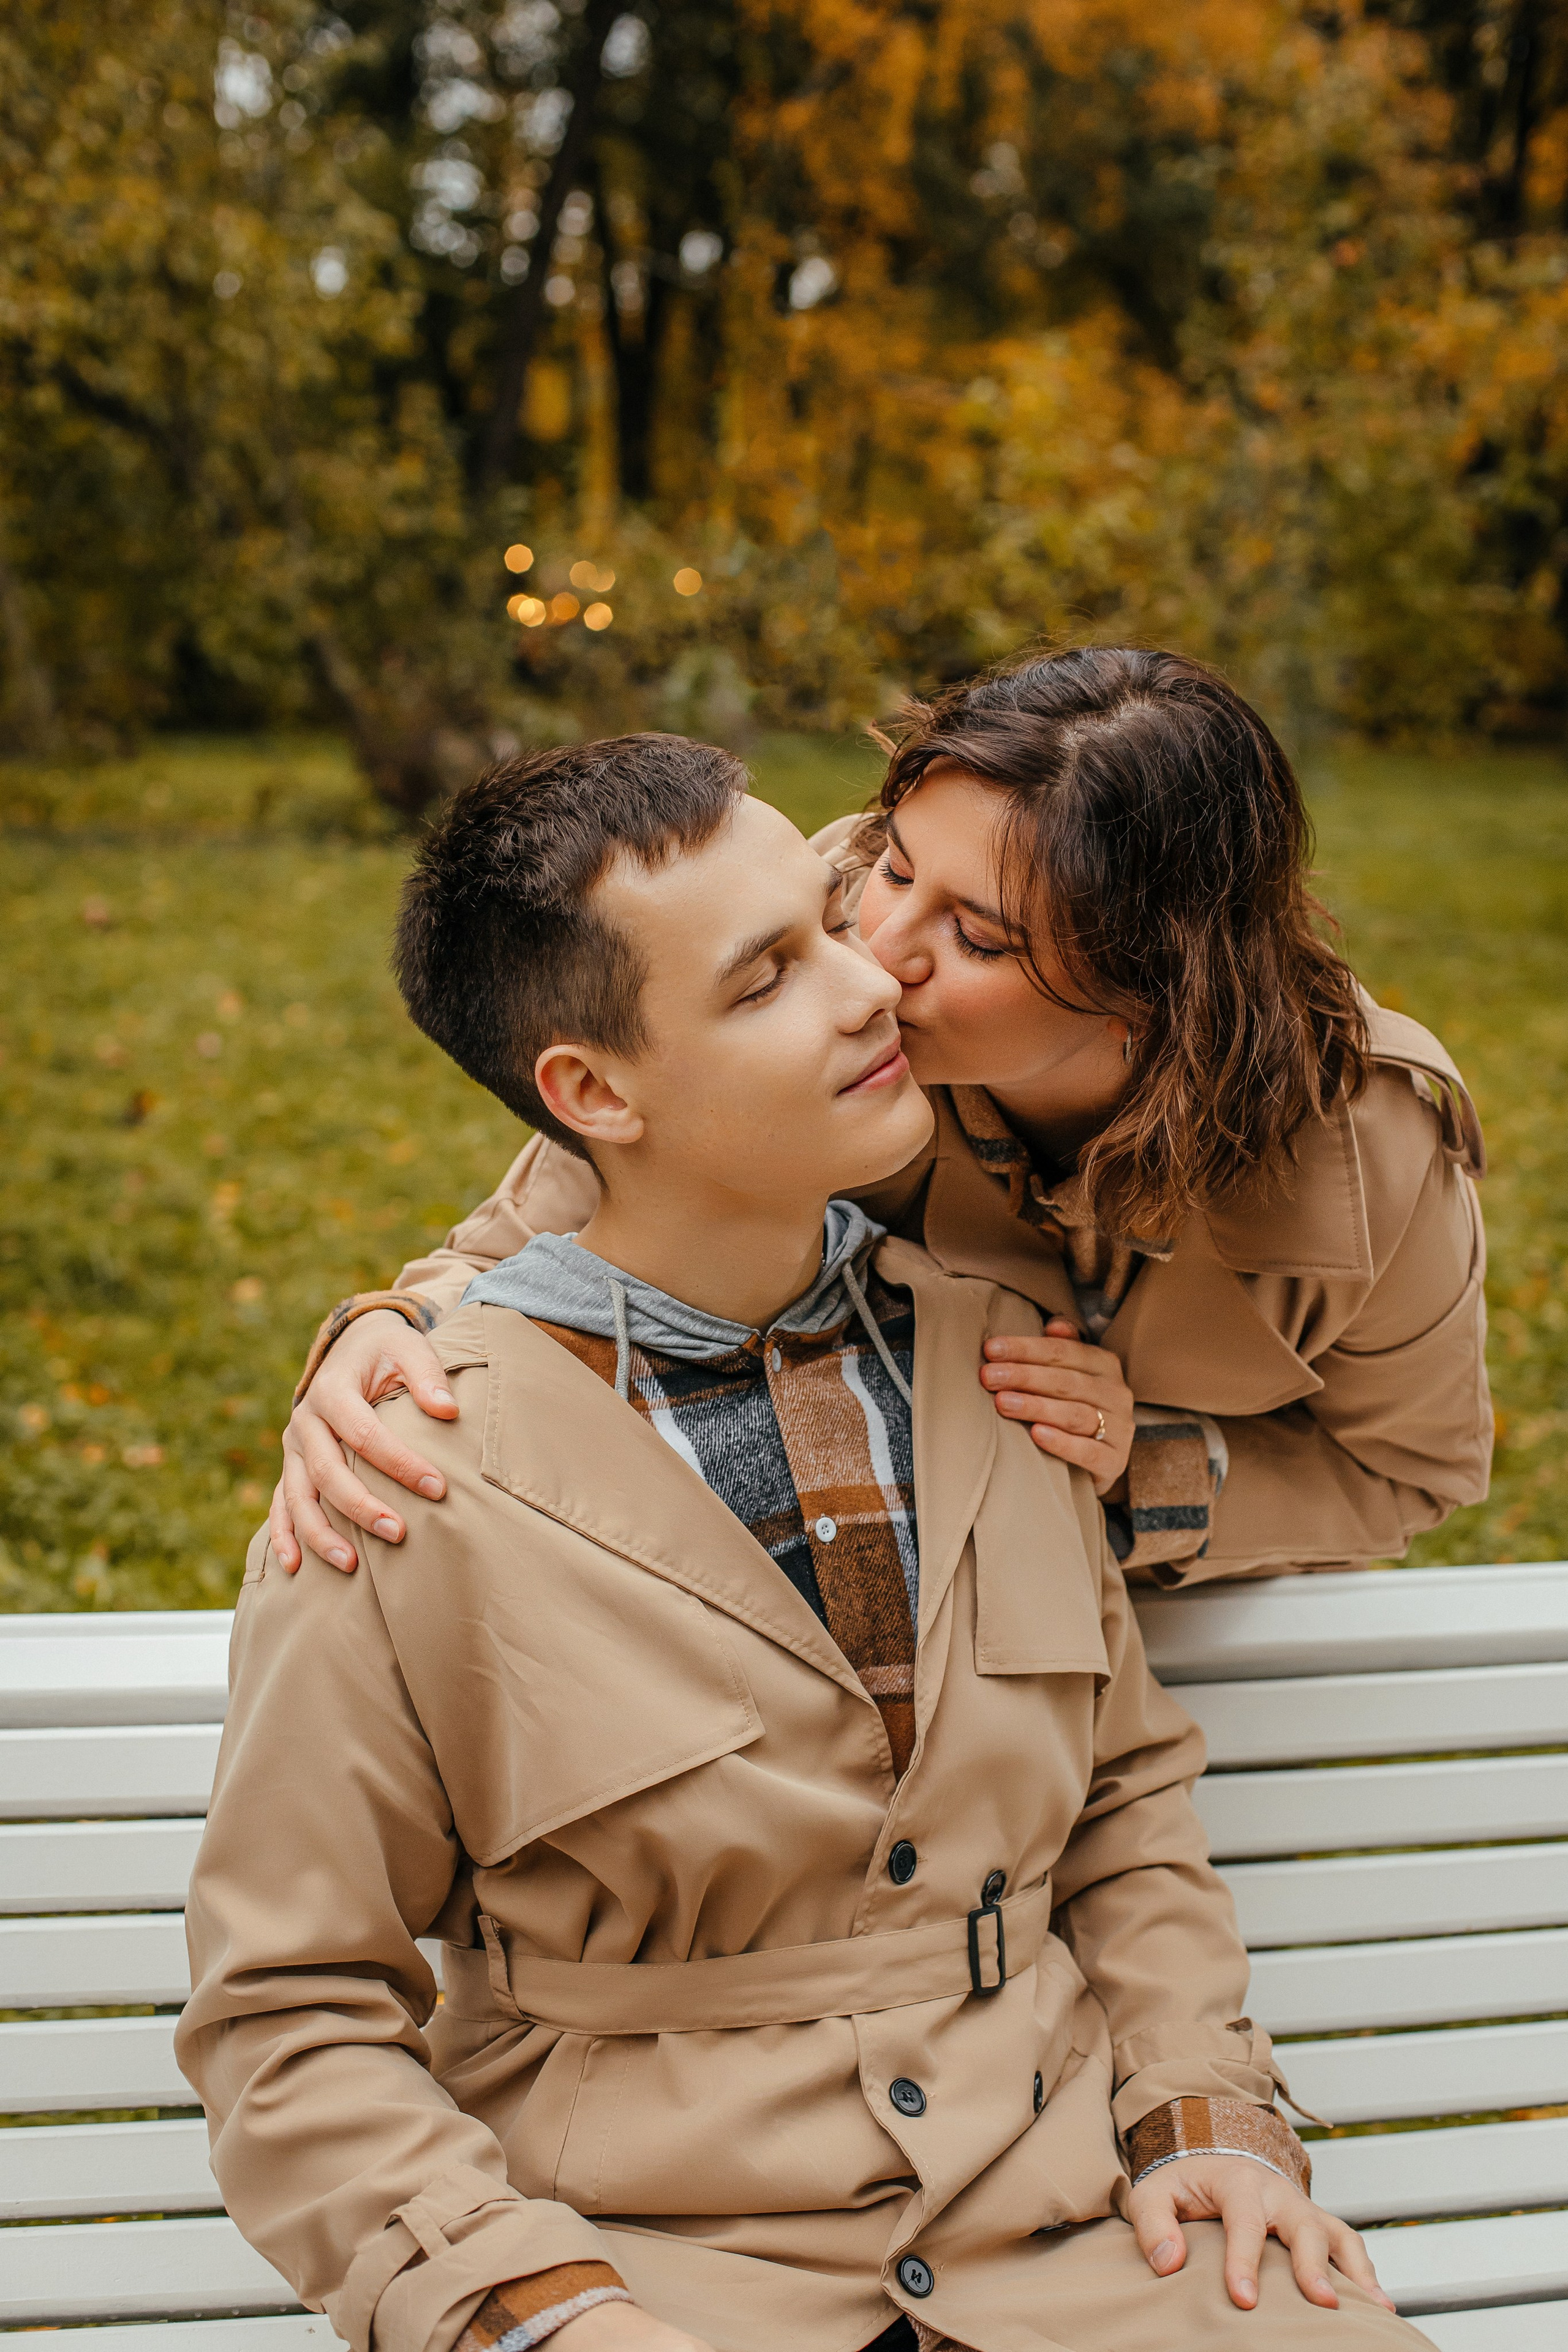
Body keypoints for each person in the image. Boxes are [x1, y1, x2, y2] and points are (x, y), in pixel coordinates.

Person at [178, 736, 1431, 2352]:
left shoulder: (1009, 1367)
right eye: (769, 976)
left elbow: (1119, 1804)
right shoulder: (402, 1467)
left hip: (1084, 2238)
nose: (871, 986)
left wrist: (1207, 2117)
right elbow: (291, 2014)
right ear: (593, 1095)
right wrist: (531, 2311)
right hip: (647, 2269)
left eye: (834, 924)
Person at [268, 649, 1490, 1590]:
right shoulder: (829, 926)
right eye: (898, 864)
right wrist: (387, 1328)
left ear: (1153, 989)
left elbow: (1406, 1470)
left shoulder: (1367, 1145)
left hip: (1177, 1671)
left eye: (977, 939)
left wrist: (1147, 1464)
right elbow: (566, 1205)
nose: (875, 953)